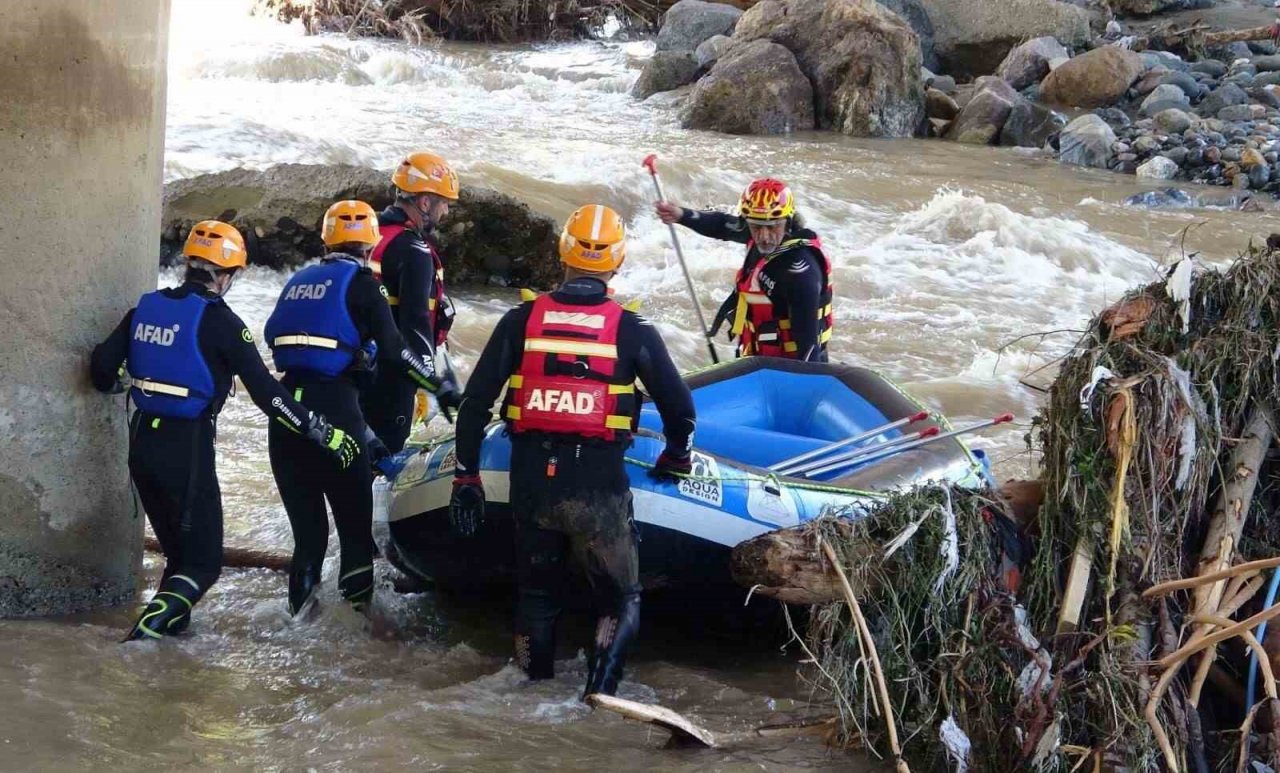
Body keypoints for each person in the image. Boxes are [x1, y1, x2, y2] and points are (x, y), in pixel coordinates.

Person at [448, 205, 697, 698]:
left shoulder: (521, 320)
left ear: (563, 252)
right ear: (618, 262)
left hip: (533, 483)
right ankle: (597, 698)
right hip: (599, 488)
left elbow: (475, 404)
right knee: (620, 598)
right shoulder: (633, 329)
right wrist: (676, 457)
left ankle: (528, 690)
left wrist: (466, 477)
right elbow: (682, 412)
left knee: (537, 596)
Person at [89, 221, 360, 641]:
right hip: (187, 449)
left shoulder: (144, 308)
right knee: (202, 565)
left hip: (142, 444)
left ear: (189, 265)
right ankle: (136, 642)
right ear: (228, 275)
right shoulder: (224, 324)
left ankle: (162, 658)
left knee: (180, 558)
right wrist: (320, 431)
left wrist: (127, 382)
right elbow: (269, 395)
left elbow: (101, 370)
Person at [264, 200, 463, 617]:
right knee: (354, 536)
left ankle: (298, 627)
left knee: (309, 540)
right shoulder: (363, 283)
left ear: (326, 240)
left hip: (286, 419)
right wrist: (439, 385)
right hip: (337, 414)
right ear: (372, 245)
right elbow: (395, 352)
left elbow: (276, 337)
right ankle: (357, 636)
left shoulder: (297, 281)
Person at [655, 178, 835, 362]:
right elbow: (721, 224)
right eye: (756, 227)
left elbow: (809, 348)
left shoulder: (800, 271)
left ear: (788, 222)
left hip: (790, 366)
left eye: (773, 227)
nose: (764, 237)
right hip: (758, 360)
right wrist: (680, 215)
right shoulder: (756, 230)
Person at [360, 151, 460, 452]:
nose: (445, 213)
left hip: (353, 371)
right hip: (390, 378)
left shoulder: (368, 236)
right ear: (425, 202)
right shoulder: (413, 249)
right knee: (380, 459)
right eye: (443, 204)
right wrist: (433, 383)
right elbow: (416, 323)